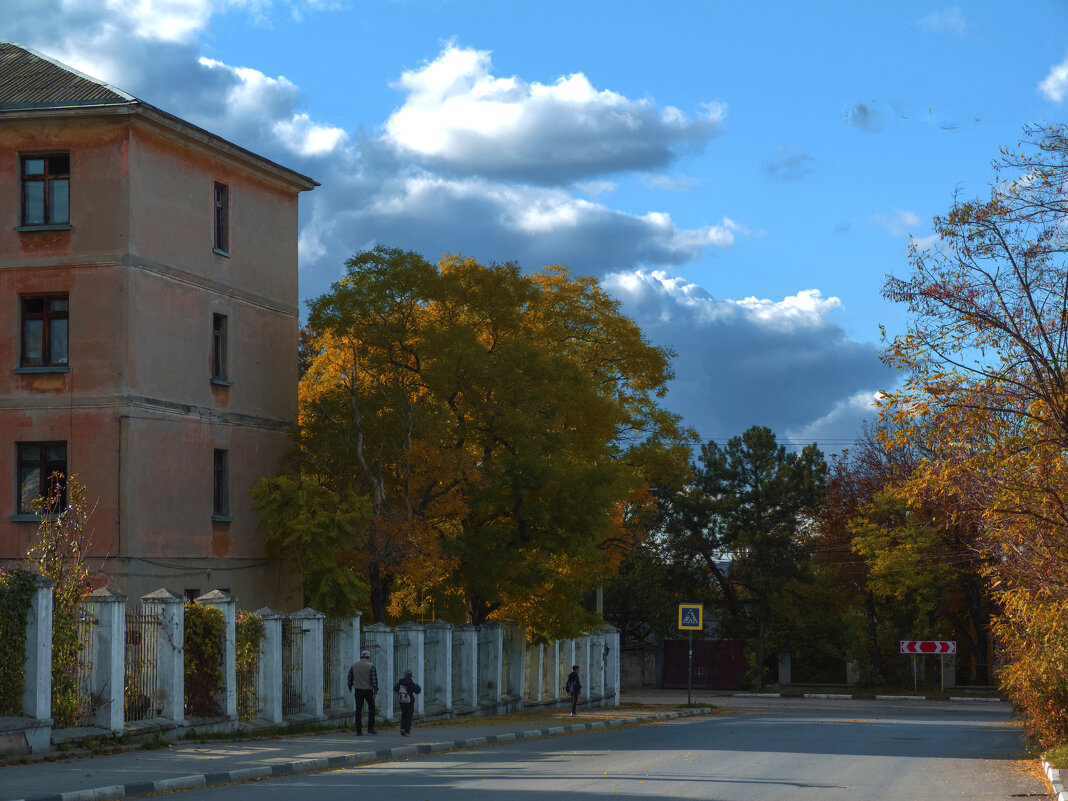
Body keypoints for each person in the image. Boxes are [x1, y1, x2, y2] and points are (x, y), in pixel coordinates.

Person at [347, 649, 378, 735]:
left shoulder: (354, 666)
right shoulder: (371, 666)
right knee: (371, 709)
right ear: (368, 657)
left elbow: (350, 677)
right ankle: (370, 728)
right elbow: (374, 679)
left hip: (358, 690)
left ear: (361, 657)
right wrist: (375, 690)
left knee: (358, 710)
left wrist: (350, 686)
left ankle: (359, 731)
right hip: (368, 690)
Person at [394, 669, 422, 736]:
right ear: (411, 675)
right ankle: (407, 731)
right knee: (409, 715)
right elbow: (417, 690)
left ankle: (402, 728)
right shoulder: (410, 682)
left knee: (403, 714)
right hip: (409, 701)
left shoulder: (401, 682)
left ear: (405, 675)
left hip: (402, 701)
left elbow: (395, 688)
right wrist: (417, 685)